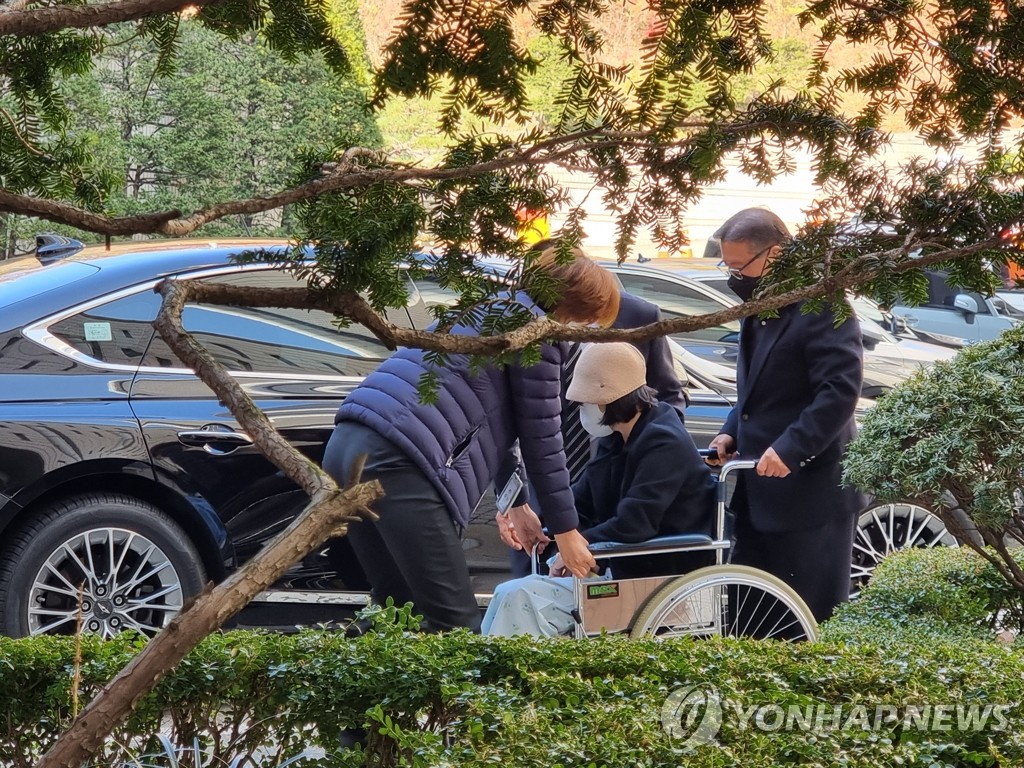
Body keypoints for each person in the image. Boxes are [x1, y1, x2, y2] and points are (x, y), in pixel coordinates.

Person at [321, 247, 618, 632]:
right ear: (576, 307)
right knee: (454, 625)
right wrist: (567, 533)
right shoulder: (536, 336)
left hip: (346, 446)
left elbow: (492, 423)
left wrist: (516, 504)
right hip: (403, 461)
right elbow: (542, 439)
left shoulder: (482, 312)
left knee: (395, 608)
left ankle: (334, 688)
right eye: (591, 318)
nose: (588, 329)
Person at [484, 342, 716, 637]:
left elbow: (634, 524)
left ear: (608, 400)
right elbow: (582, 501)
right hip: (621, 567)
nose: (582, 410)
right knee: (511, 593)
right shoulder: (617, 436)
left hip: (655, 573)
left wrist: (572, 551)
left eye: (585, 402)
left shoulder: (664, 442)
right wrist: (544, 528)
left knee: (520, 596)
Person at [707, 207, 864, 623]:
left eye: (740, 266)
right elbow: (758, 390)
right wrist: (729, 433)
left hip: (810, 493)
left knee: (806, 620)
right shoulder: (762, 303)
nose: (734, 275)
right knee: (748, 619)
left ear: (773, 255)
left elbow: (839, 391)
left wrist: (791, 449)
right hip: (758, 493)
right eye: (728, 265)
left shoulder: (823, 305)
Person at [502, 240, 688, 578]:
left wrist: (650, 450)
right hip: (545, 485)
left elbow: (667, 393)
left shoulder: (638, 316)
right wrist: (511, 503)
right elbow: (508, 422)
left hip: (619, 482)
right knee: (529, 584)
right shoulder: (524, 325)